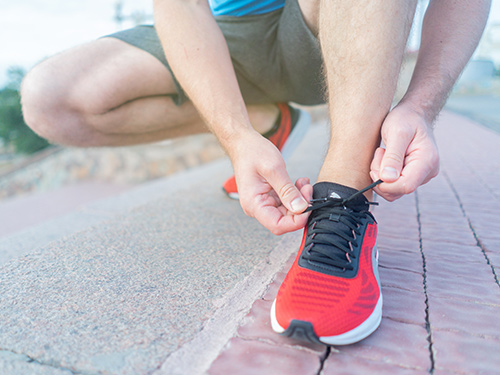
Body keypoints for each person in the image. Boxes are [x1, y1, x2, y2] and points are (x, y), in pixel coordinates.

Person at [20, 0, 490, 345]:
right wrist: (237, 136)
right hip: (222, 32)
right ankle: (270, 122)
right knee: (49, 100)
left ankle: (341, 203)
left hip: (326, 21)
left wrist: (421, 106)